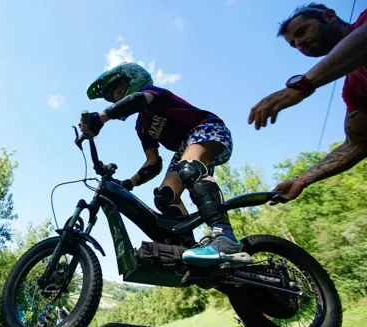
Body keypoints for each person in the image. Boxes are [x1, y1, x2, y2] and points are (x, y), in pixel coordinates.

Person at [81, 62, 251, 267]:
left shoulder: (151, 94)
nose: (118, 97)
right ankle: (191, 249)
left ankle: (225, 236)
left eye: (118, 90)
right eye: (114, 96)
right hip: (183, 148)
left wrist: (101, 117)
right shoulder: (140, 125)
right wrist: (128, 183)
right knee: (165, 197)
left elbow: (137, 100)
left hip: (207, 128)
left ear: (133, 79)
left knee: (189, 167)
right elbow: (153, 163)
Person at [248, 3, 367, 202]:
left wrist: (303, 85)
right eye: (295, 44)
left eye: (302, 31)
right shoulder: (354, 89)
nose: (301, 43)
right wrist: (302, 179)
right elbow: (356, 145)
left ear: (329, 16)